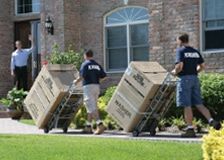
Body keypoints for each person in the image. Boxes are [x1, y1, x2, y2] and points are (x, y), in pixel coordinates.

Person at [171, 33, 221, 137]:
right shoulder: (195, 52)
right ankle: (211, 120)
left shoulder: (181, 51)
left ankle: (190, 129)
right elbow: (202, 66)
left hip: (184, 79)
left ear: (180, 40)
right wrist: (194, 72)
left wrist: (174, 72)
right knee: (199, 103)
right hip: (195, 79)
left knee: (187, 105)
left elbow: (180, 66)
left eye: (177, 40)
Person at [74, 50, 107, 135]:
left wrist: (75, 82)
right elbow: (104, 76)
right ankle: (88, 127)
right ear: (92, 55)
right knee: (92, 107)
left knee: (90, 106)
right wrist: (97, 81)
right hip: (96, 86)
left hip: (88, 87)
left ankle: (100, 125)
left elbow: (81, 76)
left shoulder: (85, 64)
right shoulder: (97, 65)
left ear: (85, 55)